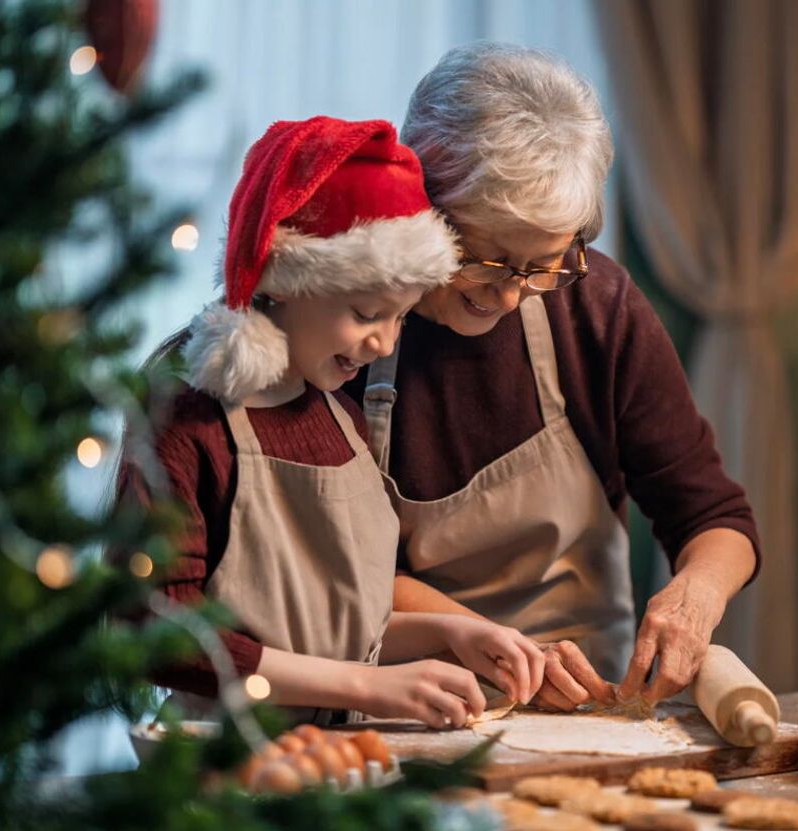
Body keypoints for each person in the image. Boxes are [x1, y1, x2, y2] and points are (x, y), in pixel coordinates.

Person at [346, 44, 761, 711]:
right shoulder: (345, 322)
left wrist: (698, 594)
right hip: (406, 695)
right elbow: (336, 571)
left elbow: (716, 516)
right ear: (419, 203)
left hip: (589, 701)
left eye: (543, 264)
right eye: (487, 259)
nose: (511, 295)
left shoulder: (596, 307)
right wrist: (498, 645)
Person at [118, 116, 544, 727]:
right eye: (367, 312)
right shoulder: (189, 419)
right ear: (284, 282)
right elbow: (158, 633)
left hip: (339, 766)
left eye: (399, 318)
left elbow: (327, 633)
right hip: (225, 773)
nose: (382, 342)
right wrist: (367, 688)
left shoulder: (335, 415)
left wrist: (448, 634)